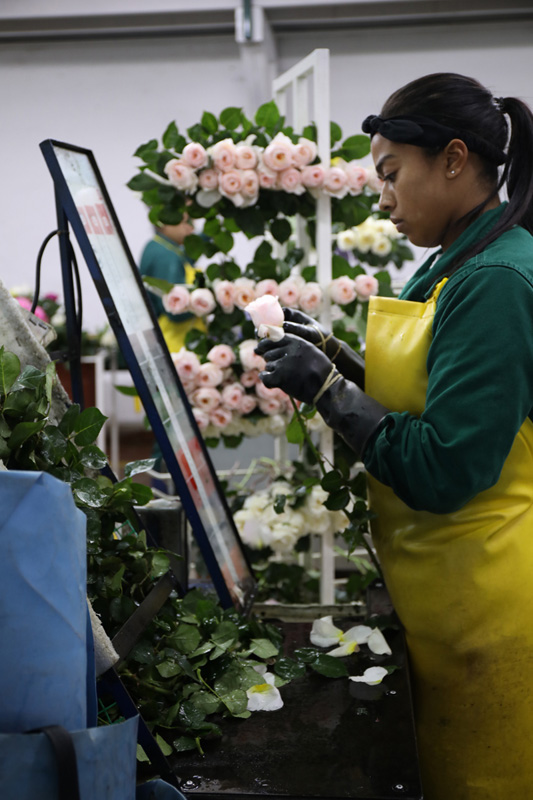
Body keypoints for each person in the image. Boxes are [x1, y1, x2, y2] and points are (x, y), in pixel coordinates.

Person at [256, 73, 533, 799]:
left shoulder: (496, 280)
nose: (381, 197)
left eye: (390, 174)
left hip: (495, 610)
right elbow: (425, 397)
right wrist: (334, 358)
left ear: (450, 158)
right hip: (452, 600)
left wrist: (326, 389)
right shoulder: (452, 263)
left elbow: (445, 464)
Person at [139, 215, 204, 352]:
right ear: (163, 222)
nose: (191, 227)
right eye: (186, 222)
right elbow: (176, 312)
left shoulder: (161, 247)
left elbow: (190, 256)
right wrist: (208, 298)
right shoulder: (165, 256)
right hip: (176, 345)